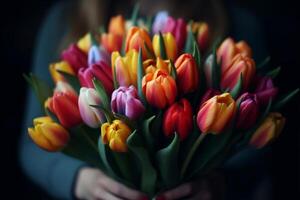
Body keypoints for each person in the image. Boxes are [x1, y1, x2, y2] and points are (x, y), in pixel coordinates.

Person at [19, 0, 271, 199]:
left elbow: (264, 152)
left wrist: (220, 183)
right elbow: (33, 146)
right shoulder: (65, 20)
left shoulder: (239, 23)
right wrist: (79, 181)